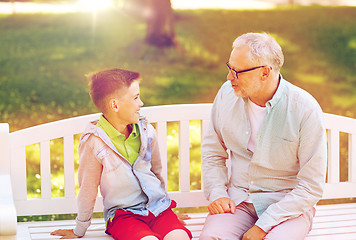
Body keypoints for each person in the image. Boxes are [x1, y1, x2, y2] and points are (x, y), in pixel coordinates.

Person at [200, 33, 327, 240]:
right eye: (229, 68)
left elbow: (311, 186)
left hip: (287, 207)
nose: (229, 77)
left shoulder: (304, 109)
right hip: (238, 201)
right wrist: (218, 192)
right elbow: (213, 151)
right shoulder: (226, 94)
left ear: (265, 73)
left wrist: (262, 227)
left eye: (237, 72)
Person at [51, 68, 192, 240]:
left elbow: (157, 172)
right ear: (115, 105)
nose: (141, 103)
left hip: (157, 209)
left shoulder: (146, 131)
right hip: (123, 216)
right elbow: (88, 188)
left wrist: (165, 207)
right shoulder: (93, 141)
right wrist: (80, 228)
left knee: (180, 237)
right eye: (135, 97)